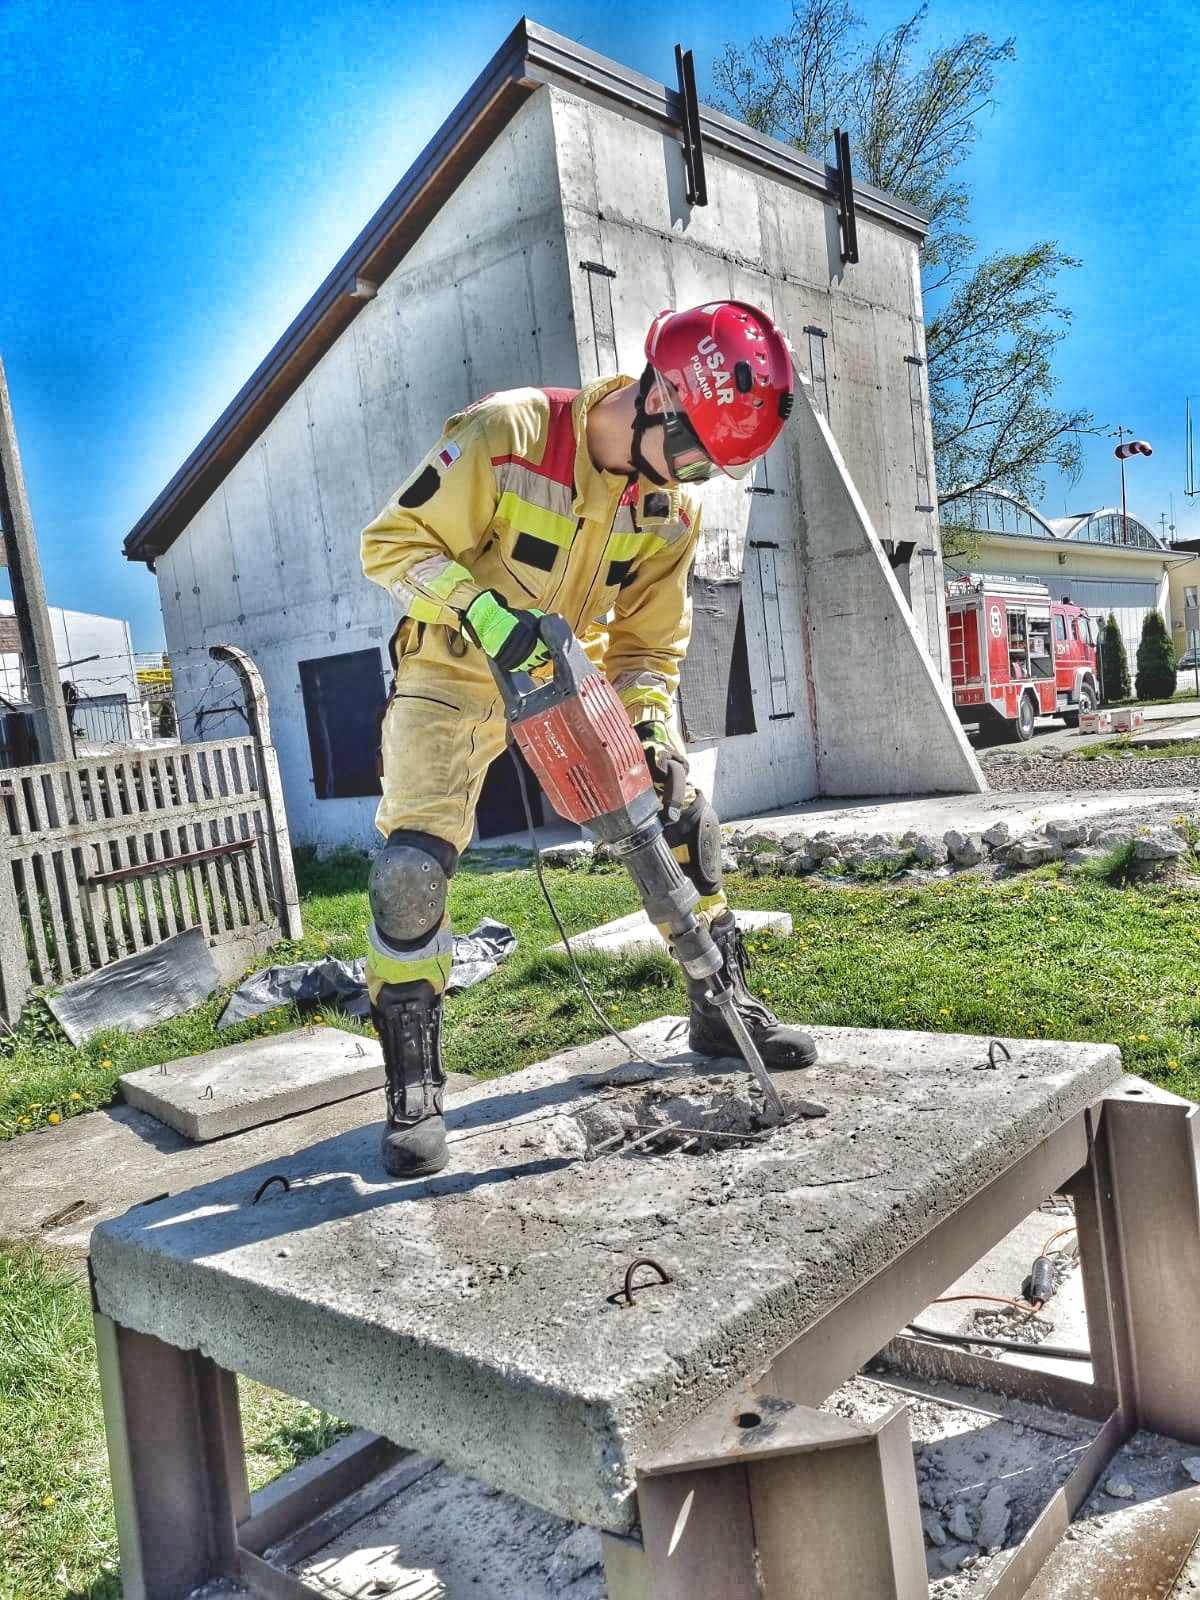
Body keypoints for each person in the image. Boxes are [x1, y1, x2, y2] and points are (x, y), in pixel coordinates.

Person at [360, 299, 817, 1179]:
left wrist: (647, 725)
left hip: (572, 678)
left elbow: (648, 644)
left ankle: (720, 1009)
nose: (694, 478)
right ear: (657, 398)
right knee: (409, 875)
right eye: (693, 454)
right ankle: (413, 1084)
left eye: (709, 467)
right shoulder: (509, 434)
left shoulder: (669, 511)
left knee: (685, 819)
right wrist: (484, 613)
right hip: (452, 668)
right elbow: (393, 546)